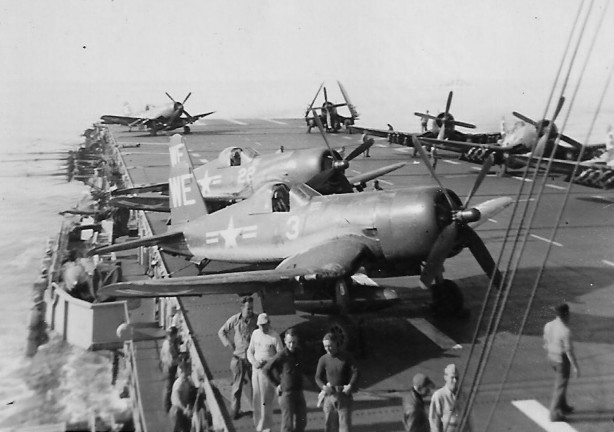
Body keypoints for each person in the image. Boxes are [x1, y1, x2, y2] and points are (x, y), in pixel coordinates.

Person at [218, 296, 258, 420]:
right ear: (242, 308)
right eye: (248, 309)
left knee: (255, 386)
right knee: (236, 387)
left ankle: (255, 410)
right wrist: (229, 344)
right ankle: (235, 411)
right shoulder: (235, 320)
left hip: (252, 359)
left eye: (251, 308)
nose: (250, 311)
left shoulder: (257, 319)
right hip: (238, 359)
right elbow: (221, 331)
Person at [264, 328, 307, 432]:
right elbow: (266, 369)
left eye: (294, 342)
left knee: (302, 419)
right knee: (287, 424)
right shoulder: (281, 355)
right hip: (287, 393)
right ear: (285, 341)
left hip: (298, 391)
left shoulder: (299, 352)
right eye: (289, 342)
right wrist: (276, 384)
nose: (291, 345)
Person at [315, 333, 359, 432]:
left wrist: (350, 385)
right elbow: (317, 377)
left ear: (336, 343)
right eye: (325, 346)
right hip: (329, 396)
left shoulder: (346, 356)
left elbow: (356, 371)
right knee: (329, 427)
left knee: (345, 427)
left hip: (344, 395)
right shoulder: (323, 359)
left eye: (330, 345)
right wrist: (324, 387)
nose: (328, 348)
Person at [543, 303, 580, 421]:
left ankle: (563, 406)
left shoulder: (548, 325)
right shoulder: (565, 331)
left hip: (551, 357)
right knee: (560, 386)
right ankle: (554, 414)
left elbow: (545, 341)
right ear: (566, 315)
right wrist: (576, 366)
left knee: (561, 383)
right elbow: (569, 351)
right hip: (561, 360)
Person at [247, 313, 283, 432]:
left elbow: (280, 354)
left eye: (265, 324)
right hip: (256, 370)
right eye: (261, 325)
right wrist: (254, 362)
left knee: (266, 401)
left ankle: (266, 428)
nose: (263, 327)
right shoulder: (255, 334)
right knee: (256, 398)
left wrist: (268, 362)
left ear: (269, 323)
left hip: (267, 372)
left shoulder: (274, 336)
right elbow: (250, 351)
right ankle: (258, 426)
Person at [429, 363, 471, 432]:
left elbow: (468, 418)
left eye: (457, 378)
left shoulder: (463, 395)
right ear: (445, 377)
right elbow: (433, 420)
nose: (455, 381)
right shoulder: (439, 395)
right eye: (452, 377)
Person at [170, 359, 196, 432]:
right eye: (188, 370)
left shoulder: (187, 381)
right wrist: (184, 409)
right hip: (177, 411)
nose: (190, 371)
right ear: (182, 371)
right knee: (180, 429)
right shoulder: (179, 384)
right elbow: (177, 400)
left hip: (183, 410)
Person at [161, 327, 182, 412]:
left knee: (167, 387)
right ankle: (167, 407)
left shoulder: (166, 342)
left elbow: (162, 354)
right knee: (169, 387)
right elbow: (173, 361)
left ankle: (167, 405)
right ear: (173, 335)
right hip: (170, 368)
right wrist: (180, 361)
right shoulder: (170, 346)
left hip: (165, 365)